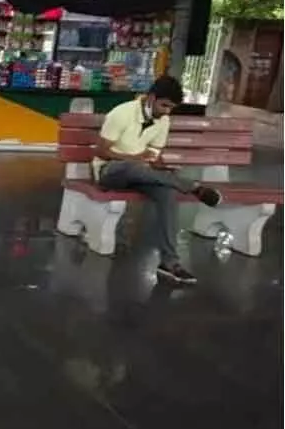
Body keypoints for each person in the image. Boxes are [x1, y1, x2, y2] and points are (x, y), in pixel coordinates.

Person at [94, 75, 222, 285]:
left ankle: (170, 263)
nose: (166, 111)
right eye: (164, 105)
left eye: (171, 108)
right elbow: (101, 151)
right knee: (131, 167)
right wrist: (134, 159)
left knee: (167, 192)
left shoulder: (163, 120)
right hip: (111, 171)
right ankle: (191, 187)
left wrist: (155, 162)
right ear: (151, 97)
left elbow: (153, 153)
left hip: (142, 174)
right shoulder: (122, 113)